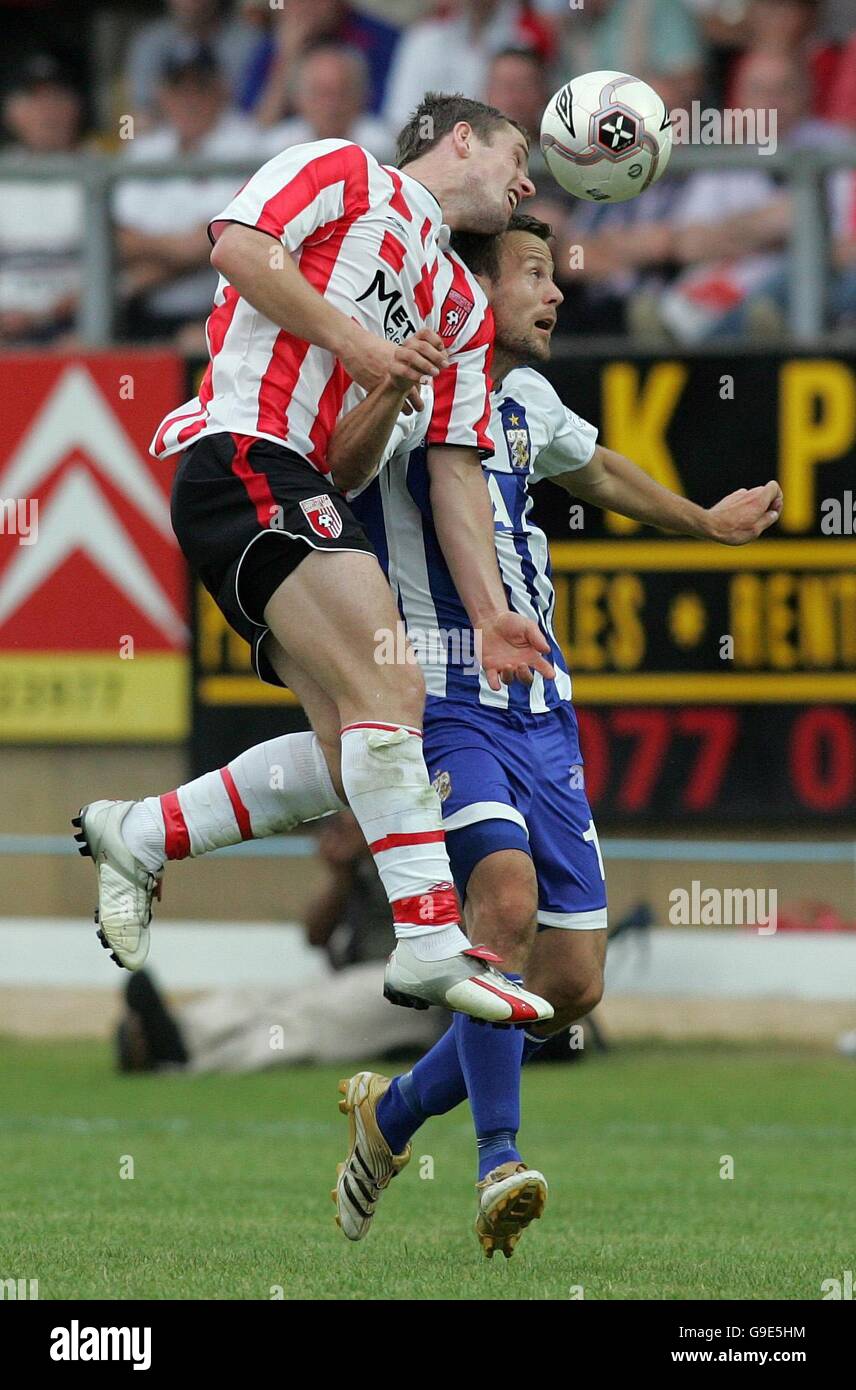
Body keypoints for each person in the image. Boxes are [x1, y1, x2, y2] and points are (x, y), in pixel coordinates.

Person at [327, 212, 784, 1257]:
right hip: (438, 697)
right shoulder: (413, 391)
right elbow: (342, 471)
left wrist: (703, 521)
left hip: (539, 706)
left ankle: (389, 1116)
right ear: (469, 290)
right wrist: (388, 387)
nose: (557, 291)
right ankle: (497, 1162)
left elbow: (601, 471)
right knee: (504, 901)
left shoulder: (525, 399)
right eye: (533, 272)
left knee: (570, 984)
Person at [73, 93, 554, 1028]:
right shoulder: (340, 169)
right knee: (396, 690)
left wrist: (491, 607)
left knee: (352, 755)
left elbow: (416, 468)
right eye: (517, 153)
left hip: (301, 481)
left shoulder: (459, 305)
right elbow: (240, 250)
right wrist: (363, 346)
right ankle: (425, 937)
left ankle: (138, 832)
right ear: (461, 138)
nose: (528, 178)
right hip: (241, 449)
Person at [115, 812, 444, 1074]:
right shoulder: (363, 861)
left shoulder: (430, 851)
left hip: (417, 991)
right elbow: (315, 936)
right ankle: (176, 1031)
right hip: (358, 982)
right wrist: (341, 874)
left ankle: (186, 1060)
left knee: (301, 1018)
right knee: (261, 996)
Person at [114, 46, 260, 346]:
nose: (189, 100)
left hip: (220, 310)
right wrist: (184, 251)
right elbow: (120, 239)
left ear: (220, 90)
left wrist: (137, 280)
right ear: (162, 94)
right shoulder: (144, 150)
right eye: (179, 89)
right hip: (141, 312)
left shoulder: (247, 146)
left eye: (200, 88)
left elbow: (219, 241)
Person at [0, 55, 86, 346]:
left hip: (71, 326)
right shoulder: (4, 172)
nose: (47, 111)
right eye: (35, 100)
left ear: (75, 107)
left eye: (57, 98)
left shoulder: (99, 170)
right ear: (12, 111)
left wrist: (48, 314)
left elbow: (130, 272)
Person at [124, 0, 260, 127]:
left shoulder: (250, 40)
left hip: (234, 133)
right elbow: (142, 111)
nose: (190, 2)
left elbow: (254, 110)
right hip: (169, 134)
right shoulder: (150, 42)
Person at [262, 43, 393, 163]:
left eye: (342, 92)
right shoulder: (276, 148)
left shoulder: (384, 148)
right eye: (321, 93)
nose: (331, 105)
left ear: (361, 95)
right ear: (298, 98)